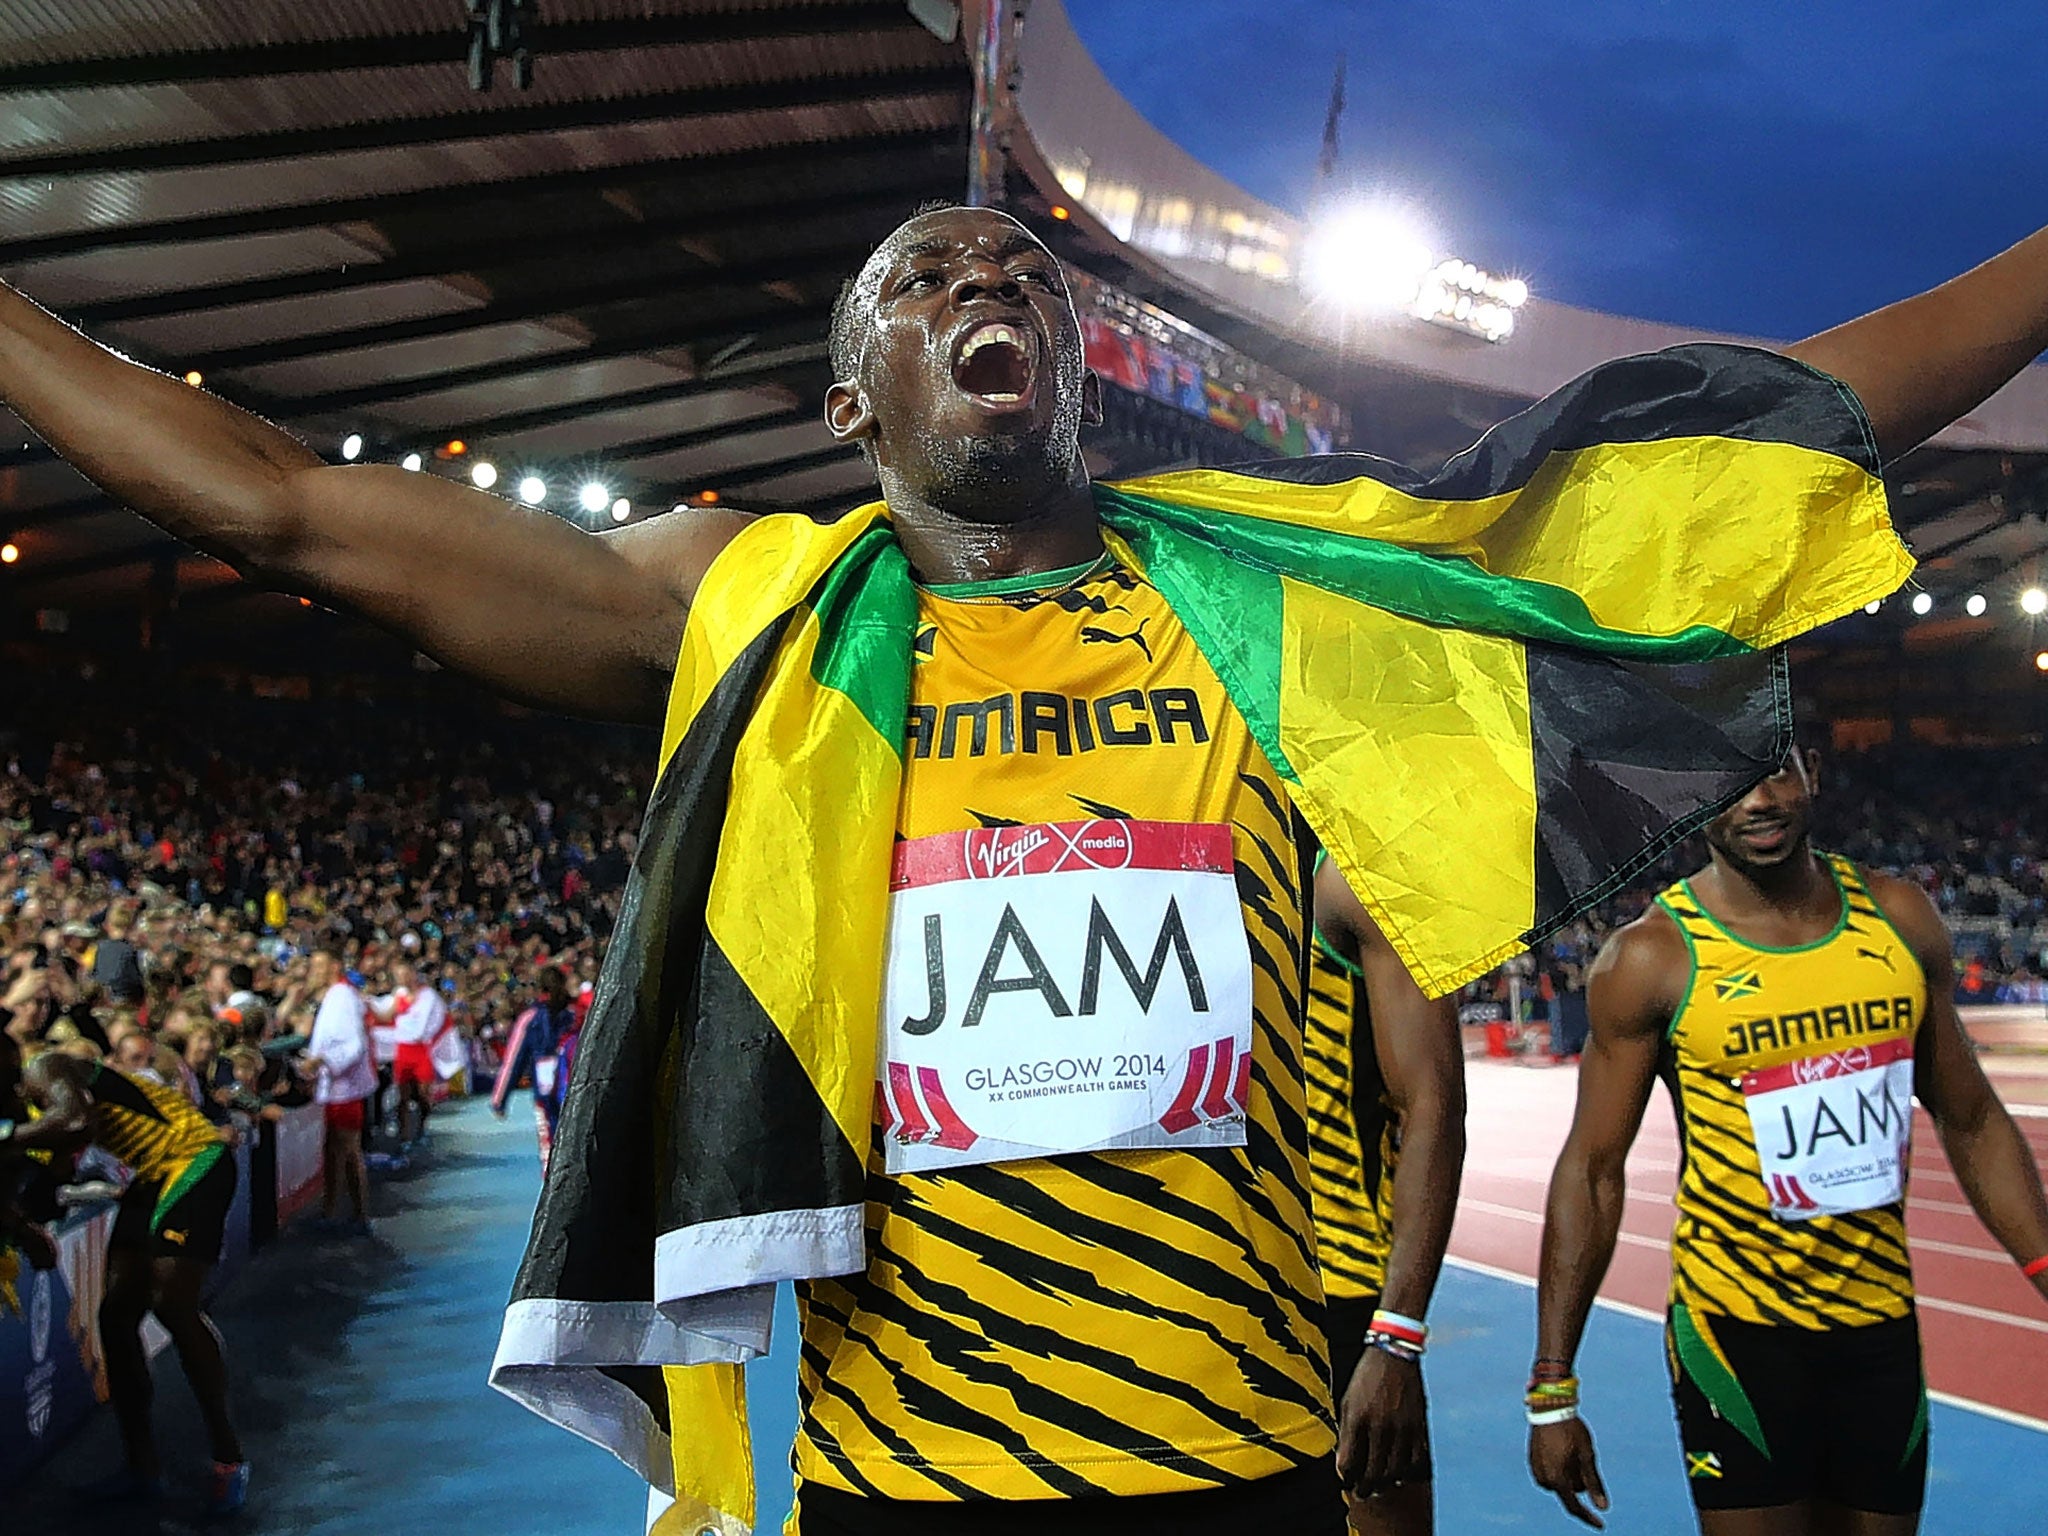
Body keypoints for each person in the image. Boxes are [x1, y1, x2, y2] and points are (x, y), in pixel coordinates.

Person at [2, 205, 2045, 1536]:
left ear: (1073, 375)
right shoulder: (747, 612)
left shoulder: (1273, 607)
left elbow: (1763, 439)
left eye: (1023, 284)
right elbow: (280, 507)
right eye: (924, 285)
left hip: (1240, 1466)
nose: (985, 293)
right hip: (911, 1482)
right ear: (847, 402)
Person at [1527, 747, 2048, 1534]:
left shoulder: (1899, 920)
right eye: (1725, 786)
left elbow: (1971, 1118)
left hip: (1880, 1324)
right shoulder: (1651, 958)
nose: (1758, 801)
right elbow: (1594, 1169)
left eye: (1776, 772)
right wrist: (1552, 1387)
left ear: (1813, 776)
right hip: (1738, 1335)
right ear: (1688, 803)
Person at [2, 1041, 249, 1515]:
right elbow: (52, 1168)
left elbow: (76, 1123)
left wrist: (10, 1138)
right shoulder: (19, 1108)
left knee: (173, 1305)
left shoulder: (44, 1067)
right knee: (115, 1319)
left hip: (195, 1155)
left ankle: (229, 1458)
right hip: (152, 1175)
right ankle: (143, 1468)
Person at [1308, 858, 1465, 1534]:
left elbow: (1432, 1107)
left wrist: (1397, 1337)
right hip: (1202, 1291)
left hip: (1337, 1300)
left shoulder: (1349, 875)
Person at [299, 948, 375, 1232]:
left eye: (318, 965)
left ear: (334, 966)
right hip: (337, 1085)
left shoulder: (342, 997)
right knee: (334, 1150)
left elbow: (353, 1045)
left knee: (347, 1150)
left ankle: (358, 1214)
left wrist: (322, 1061)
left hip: (345, 1087)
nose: (313, 971)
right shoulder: (336, 996)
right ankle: (334, 1210)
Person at [369, 959, 446, 1147]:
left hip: (421, 1049)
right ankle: (404, 1137)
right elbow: (387, 1015)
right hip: (403, 1048)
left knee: (422, 1094)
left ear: (412, 974)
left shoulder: (428, 996)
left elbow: (438, 1018)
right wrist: (368, 1004)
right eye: (398, 975)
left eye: (405, 974)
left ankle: (421, 1127)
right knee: (403, 1095)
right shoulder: (399, 994)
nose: (402, 978)